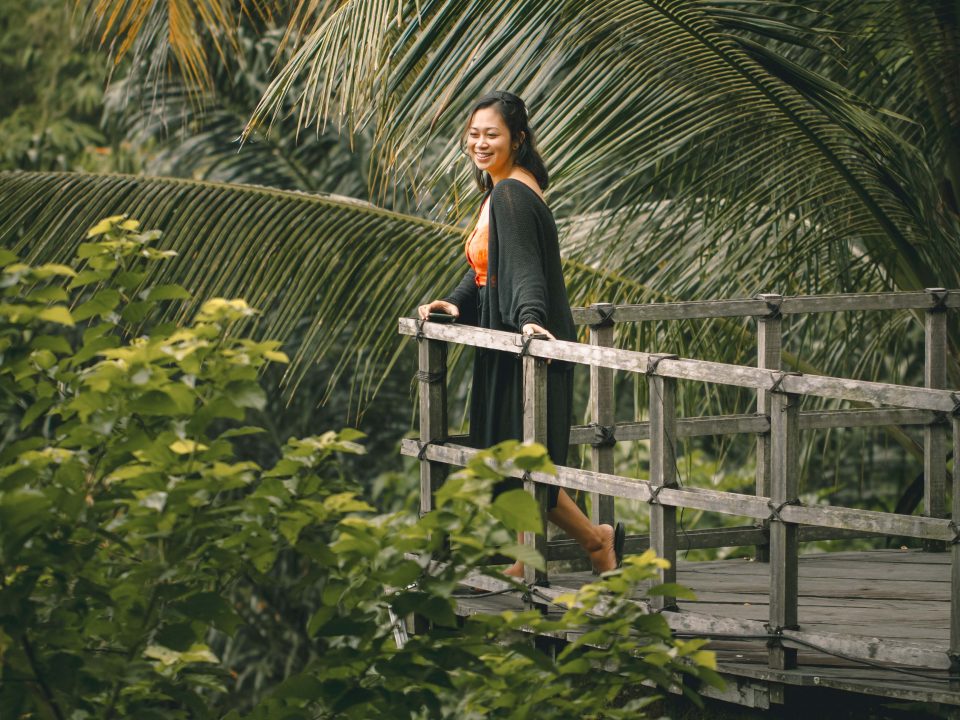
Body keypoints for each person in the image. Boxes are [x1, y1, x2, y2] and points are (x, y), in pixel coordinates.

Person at [417, 90, 625, 576]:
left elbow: (528, 269)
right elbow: (486, 267)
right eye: (473, 134)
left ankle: (592, 543)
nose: (480, 143)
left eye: (492, 134)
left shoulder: (510, 193)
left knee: (522, 454)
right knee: (511, 452)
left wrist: (531, 318)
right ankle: (571, 546)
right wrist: (455, 301)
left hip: (526, 341)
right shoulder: (503, 190)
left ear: (518, 139)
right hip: (508, 337)